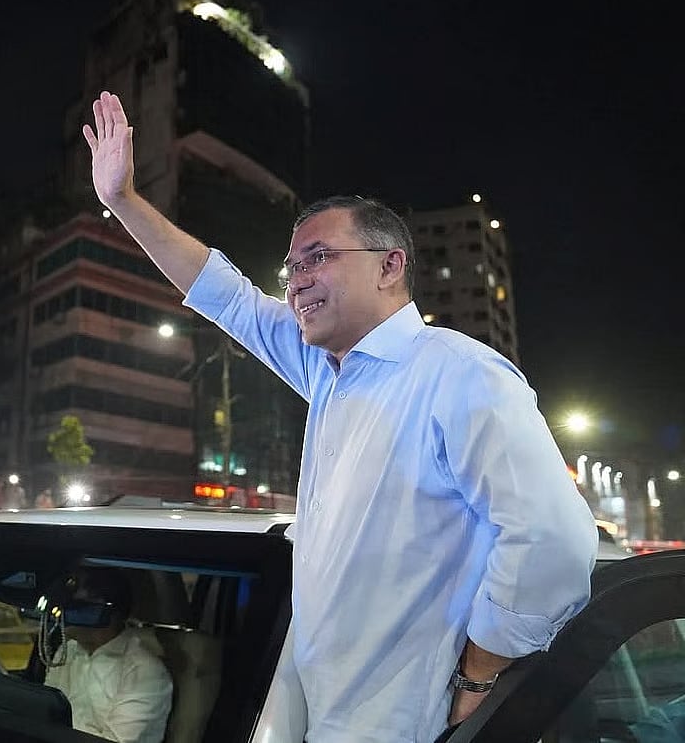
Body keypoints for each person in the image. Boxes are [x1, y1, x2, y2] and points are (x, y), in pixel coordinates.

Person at [82, 91, 597, 741]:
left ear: (390, 265)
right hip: (319, 710)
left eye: (318, 257)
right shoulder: (328, 375)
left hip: (411, 722)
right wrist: (123, 199)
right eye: (291, 266)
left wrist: (481, 674)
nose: (295, 279)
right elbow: (228, 296)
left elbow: (555, 541)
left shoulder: (459, 374)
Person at [43, 569, 173, 743]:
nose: (62, 612)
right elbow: (44, 712)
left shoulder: (144, 672)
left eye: (76, 606)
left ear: (105, 611)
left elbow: (115, 741)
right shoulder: (68, 650)